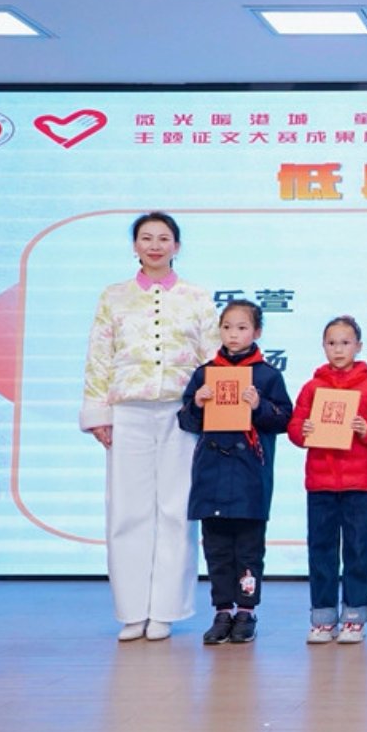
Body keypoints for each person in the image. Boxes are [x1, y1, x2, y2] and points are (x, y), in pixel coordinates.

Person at [80, 212, 218, 642]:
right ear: (135, 246)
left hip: (181, 412)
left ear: (177, 246)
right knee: (127, 511)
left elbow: (212, 359)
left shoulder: (197, 297)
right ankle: (132, 611)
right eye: (146, 238)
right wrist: (98, 414)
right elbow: (99, 357)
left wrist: (212, 412)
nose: (155, 245)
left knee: (176, 510)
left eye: (163, 238)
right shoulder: (113, 297)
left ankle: (166, 611)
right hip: (128, 412)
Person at [177, 299, 293, 644]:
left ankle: (246, 611)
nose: (233, 334)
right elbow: (186, 421)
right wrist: (197, 403)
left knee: (248, 548)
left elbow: (284, 420)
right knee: (216, 548)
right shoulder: (205, 373)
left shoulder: (267, 375)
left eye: (242, 328)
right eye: (227, 327)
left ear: (257, 332)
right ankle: (222, 611)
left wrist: (259, 406)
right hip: (211, 474)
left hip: (249, 476)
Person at [287, 316, 367, 645]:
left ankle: (354, 617)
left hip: (359, 484)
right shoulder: (312, 387)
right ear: (323, 346)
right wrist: (303, 431)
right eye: (332, 343)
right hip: (320, 483)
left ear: (358, 346)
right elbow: (294, 427)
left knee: (357, 551)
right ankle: (323, 618)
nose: (338, 349)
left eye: (345, 343)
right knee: (321, 550)